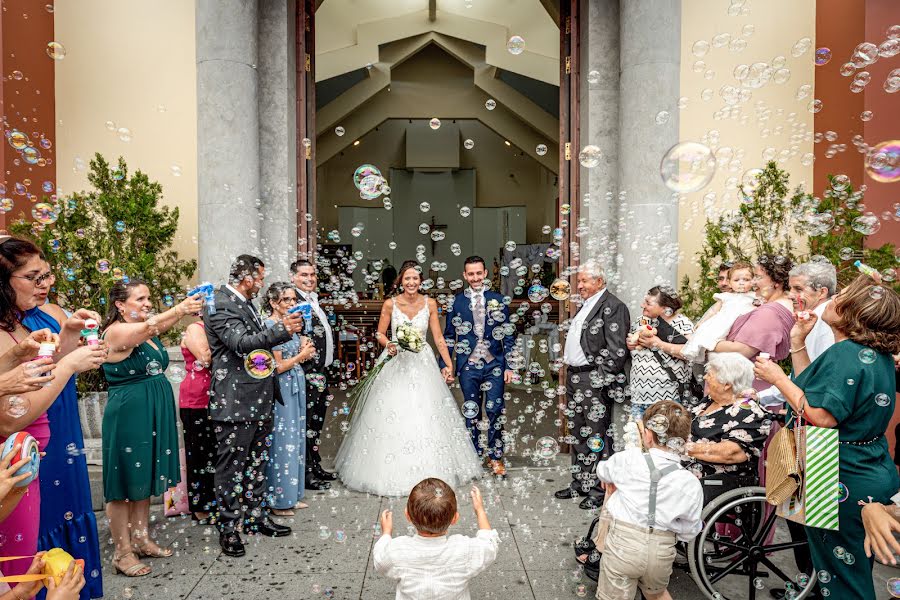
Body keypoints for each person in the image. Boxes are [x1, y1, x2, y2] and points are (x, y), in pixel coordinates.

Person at [754, 274, 900, 600]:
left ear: (853, 314)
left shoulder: (848, 354)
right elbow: (811, 391)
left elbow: (821, 416)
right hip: (866, 470)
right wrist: (797, 342)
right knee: (845, 572)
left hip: (838, 475)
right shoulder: (864, 353)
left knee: (843, 582)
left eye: (841, 296)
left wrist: (777, 377)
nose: (832, 298)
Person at [0, 237, 106, 591]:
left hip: (36, 458)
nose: (45, 283)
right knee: (19, 565)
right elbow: (11, 417)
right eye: (33, 277)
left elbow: (39, 372)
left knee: (32, 550)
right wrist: (71, 364)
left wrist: (69, 336)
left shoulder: (18, 323)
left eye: (46, 274)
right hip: (12, 468)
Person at [334, 261, 481, 496]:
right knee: (392, 412)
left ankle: (430, 470)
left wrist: (449, 363)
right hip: (395, 361)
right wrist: (389, 343)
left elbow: (438, 337)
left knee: (426, 412)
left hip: (422, 362)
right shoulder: (390, 304)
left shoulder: (430, 303)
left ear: (420, 281)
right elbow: (380, 333)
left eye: (415, 279)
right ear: (400, 282)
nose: (411, 283)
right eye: (407, 279)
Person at [101, 279, 203, 577]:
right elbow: (147, 328)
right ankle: (122, 551)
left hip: (151, 410)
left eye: (149, 298)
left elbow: (153, 327)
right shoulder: (117, 331)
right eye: (140, 299)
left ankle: (142, 537)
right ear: (120, 305)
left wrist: (179, 311)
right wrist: (181, 308)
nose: (147, 303)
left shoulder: (148, 330)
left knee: (142, 475)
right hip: (129, 414)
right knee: (123, 482)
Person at [204, 255, 304, 557]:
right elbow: (241, 343)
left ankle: (255, 517)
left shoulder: (246, 303)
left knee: (258, 462)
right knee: (231, 467)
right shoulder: (220, 303)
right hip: (235, 401)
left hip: (258, 395)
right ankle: (230, 527)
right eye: (259, 277)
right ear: (246, 276)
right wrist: (282, 329)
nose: (261, 283)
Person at [594, 401, 703, 600]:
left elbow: (602, 470)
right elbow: (690, 530)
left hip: (623, 546)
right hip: (662, 551)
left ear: (648, 435)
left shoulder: (629, 459)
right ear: (684, 440)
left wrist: (612, 480)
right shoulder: (689, 481)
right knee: (657, 594)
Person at [554, 262, 630, 510]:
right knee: (577, 432)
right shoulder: (586, 305)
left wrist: (600, 377)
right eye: (580, 281)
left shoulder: (613, 306)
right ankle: (580, 483)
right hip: (576, 377)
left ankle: (599, 490)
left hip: (592, 379)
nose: (580, 285)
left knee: (597, 435)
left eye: (585, 281)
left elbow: (617, 350)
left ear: (600, 281)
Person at [439, 256, 515, 477]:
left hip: (495, 365)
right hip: (468, 366)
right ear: (465, 276)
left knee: (494, 410)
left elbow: (508, 336)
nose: (475, 278)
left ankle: (495, 457)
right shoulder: (457, 302)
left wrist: (510, 365)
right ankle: (472, 456)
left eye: (478, 273)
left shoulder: (498, 300)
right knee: (471, 411)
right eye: (470, 274)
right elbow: (450, 336)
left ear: (485, 274)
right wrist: (446, 364)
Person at [373, 480, 499, 600]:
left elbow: (380, 561)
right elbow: (489, 544)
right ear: (455, 518)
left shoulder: (397, 550)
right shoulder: (464, 549)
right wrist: (480, 510)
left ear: (408, 516)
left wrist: (386, 533)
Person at [683, 353, 770, 505]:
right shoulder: (709, 401)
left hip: (714, 480)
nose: (705, 378)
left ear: (727, 384)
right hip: (685, 468)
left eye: (710, 375)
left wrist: (681, 448)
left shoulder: (750, 412)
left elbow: (730, 453)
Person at [262, 282, 315, 516]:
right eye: (286, 300)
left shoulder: (292, 325)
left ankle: (292, 494)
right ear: (273, 303)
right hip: (281, 388)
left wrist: (302, 343)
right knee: (282, 441)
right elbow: (275, 367)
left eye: (294, 300)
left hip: (296, 384)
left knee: (295, 437)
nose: (293, 304)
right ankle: (278, 499)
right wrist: (302, 355)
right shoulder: (271, 326)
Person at [756, 260, 836, 411]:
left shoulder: (824, 322)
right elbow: (800, 374)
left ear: (822, 292)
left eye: (798, 289)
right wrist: (760, 397)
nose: (791, 295)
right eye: (790, 288)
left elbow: (815, 378)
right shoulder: (810, 319)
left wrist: (775, 378)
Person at [290, 259, 336, 490]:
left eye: (312, 275)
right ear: (293, 278)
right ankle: (307, 473)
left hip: (321, 372)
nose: (309, 279)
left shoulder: (315, 300)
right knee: (306, 423)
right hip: (307, 372)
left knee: (316, 423)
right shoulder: (294, 303)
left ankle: (315, 464)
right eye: (304, 275)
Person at [625, 286, 694, 417]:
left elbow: (689, 352)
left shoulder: (682, 323)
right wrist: (631, 344)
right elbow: (635, 349)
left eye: (648, 303)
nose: (642, 305)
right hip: (638, 396)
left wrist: (657, 344)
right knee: (638, 437)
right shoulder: (640, 322)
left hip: (667, 399)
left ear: (665, 308)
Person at [178, 318, 215, 523]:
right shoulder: (195, 328)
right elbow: (205, 358)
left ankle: (213, 500)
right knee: (199, 454)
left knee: (212, 453)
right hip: (196, 398)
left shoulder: (212, 327)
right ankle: (200, 507)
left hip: (213, 397)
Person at [681, 262, 756, 363]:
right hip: (723, 322)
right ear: (730, 282)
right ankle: (695, 350)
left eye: (746, 280)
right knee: (709, 337)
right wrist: (701, 322)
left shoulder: (754, 296)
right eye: (736, 280)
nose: (741, 283)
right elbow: (713, 311)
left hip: (739, 327)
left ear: (753, 281)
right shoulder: (726, 296)